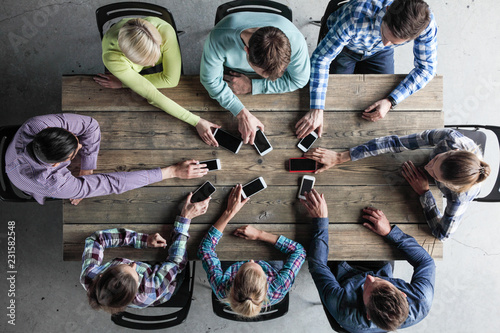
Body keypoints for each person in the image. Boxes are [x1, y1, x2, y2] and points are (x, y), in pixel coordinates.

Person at [304, 129, 491, 240]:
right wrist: (340, 157)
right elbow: (396, 143)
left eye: (435, 174)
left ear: (450, 186)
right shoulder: (451, 138)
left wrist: (424, 192)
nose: (428, 166)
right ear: (453, 151)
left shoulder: (460, 197)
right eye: (437, 159)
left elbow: (442, 234)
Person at [296, 0, 438, 138]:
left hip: (380, 53)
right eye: (384, 34)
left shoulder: (424, 23)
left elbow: (426, 69)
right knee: (336, 98)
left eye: (394, 42)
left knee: (379, 95)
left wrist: (391, 101)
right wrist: (316, 109)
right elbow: (321, 59)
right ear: (387, 11)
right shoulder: (355, 15)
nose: (385, 42)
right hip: (345, 48)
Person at [304, 189, 435, 332]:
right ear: (403, 294)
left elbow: (317, 266)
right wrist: (390, 232)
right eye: (381, 282)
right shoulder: (421, 300)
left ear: (367, 314)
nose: (370, 277)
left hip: (342, 277)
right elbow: (425, 262)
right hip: (379, 267)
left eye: (367, 287)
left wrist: (320, 221)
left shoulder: (343, 309)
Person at [5, 113, 209, 205]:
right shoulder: (55, 184)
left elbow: (90, 125)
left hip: (12, 157)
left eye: (75, 140)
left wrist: (86, 168)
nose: (81, 145)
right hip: (27, 185)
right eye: (75, 151)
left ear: (49, 130)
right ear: (57, 164)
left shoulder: (35, 126)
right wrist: (171, 172)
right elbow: (112, 184)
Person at [94, 17, 220, 146]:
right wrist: (196, 121)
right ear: (127, 56)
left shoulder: (165, 30)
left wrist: (125, 83)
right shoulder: (111, 57)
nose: (154, 64)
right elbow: (152, 94)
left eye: (157, 53)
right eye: (145, 62)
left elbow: (171, 80)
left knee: (171, 80)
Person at [81, 192, 210, 313]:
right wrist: (185, 218)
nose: (134, 264)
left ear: (102, 275)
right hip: (168, 282)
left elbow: (96, 239)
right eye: (135, 273)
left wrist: (144, 240)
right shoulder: (149, 290)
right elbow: (177, 263)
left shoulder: (90, 276)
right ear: (134, 291)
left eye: (124, 266)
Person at [200, 11, 310, 145]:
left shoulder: (295, 40)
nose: (274, 79)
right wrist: (241, 114)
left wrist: (253, 86)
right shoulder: (218, 37)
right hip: (229, 71)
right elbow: (210, 80)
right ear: (246, 51)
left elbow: (299, 80)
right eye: (265, 74)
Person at [197, 184, 306, 318]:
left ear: (233, 281)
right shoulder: (279, 287)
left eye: (245, 265)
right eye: (257, 266)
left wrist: (229, 212)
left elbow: (205, 248)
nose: (251, 259)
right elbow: (299, 252)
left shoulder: (223, 288)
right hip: (271, 265)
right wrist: (260, 234)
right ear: (267, 284)